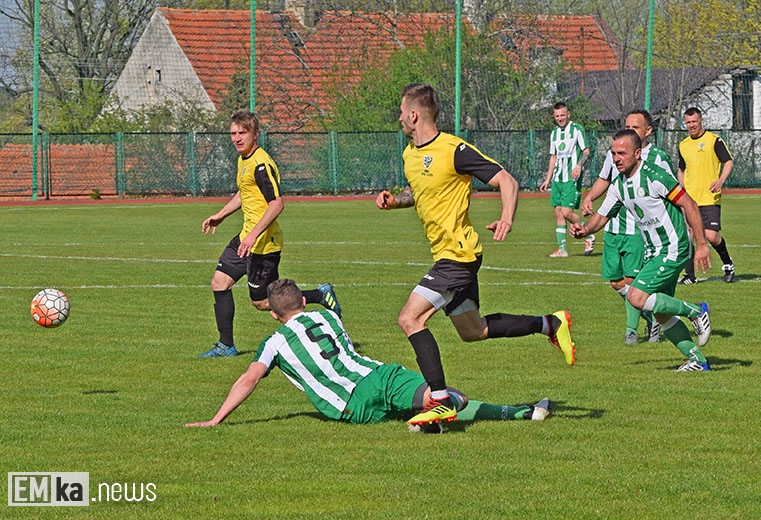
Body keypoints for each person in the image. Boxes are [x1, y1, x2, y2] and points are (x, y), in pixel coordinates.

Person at [375, 83, 573, 427]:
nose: (399, 118)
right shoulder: (409, 154)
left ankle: (440, 400)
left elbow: (507, 181)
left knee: (410, 319)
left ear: (414, 114)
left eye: (401, 112)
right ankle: (549, 323)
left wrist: (507, 218)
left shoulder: (455, 150)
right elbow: (418, 191)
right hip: (448, 254)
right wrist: (397, 201)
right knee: (473, 330)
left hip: (458, 255)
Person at [185, 279, 551, 430]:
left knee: (433, 404)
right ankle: (519, 412)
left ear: (274, 314)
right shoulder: (328, 316)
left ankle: (426, 418)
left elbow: (249, 379)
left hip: (350, 409)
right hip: (377, 378)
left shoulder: (274, 342)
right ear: (303, 302)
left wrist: (216, 420)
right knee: (449, 397)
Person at [198, 110, 341, 357]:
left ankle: (319, 294)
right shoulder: (244, 159)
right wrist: (221, 215)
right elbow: (245, 193)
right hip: (246, 239)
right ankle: (226, 345)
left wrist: (253, 236)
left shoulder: (261, 164)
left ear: (255, 134)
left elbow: (276, 203)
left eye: (242, 133)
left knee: (263, 302)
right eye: (233, 133)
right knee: (219, 282)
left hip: (264, 244)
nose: (237, 138)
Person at [571, 129, 714, 371]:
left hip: (673, 247)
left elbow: (689, 204)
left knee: (636, 297)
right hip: (653, 251)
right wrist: (584, 230)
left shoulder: (654, 176)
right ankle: (698, 361)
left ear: (637, 153)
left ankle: (696, 310)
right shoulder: (618, 185)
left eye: (622, 153)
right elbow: (601, 216)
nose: (617, 158)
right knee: (660, 312)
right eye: (613, 153)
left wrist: (701, 245)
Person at [582, 110, 666, 345]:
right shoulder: (616, 154)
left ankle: (631, 330)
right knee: (616, 281)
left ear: (648, 131)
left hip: (637, 230)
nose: (630, 131)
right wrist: (589, 197)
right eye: (627, 126)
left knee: (632, 280)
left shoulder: (656, 158)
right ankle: (651, 315)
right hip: (612, 227)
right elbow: (605, 179)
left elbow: (672, 191)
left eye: (635, 127)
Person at [677, 107, 736, 284]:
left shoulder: (713, 140)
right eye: (688, 122)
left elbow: (728, 162)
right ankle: (690, 276)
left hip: (709, 197)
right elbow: (681, 170)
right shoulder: (683, 145)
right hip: (690, 200)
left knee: (711, 236)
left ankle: (728, 263)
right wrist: (681, 190)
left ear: (701, 121)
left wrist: (721, 180)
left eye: (694, 121)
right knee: (689, 236)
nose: (691, 125)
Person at [540, 101, 595, 257]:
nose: (560, 118)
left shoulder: (577, 129)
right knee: (558, 212)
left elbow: (586, 151)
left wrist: (579, 166)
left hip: (572, 178)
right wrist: (548, 179)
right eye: (557, 116)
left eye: (562, 115)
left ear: (568, 114)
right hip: (558, 179)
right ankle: (562, 249)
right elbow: (553, 157)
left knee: (566, 212)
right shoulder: (554, 133)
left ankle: (588, 234)